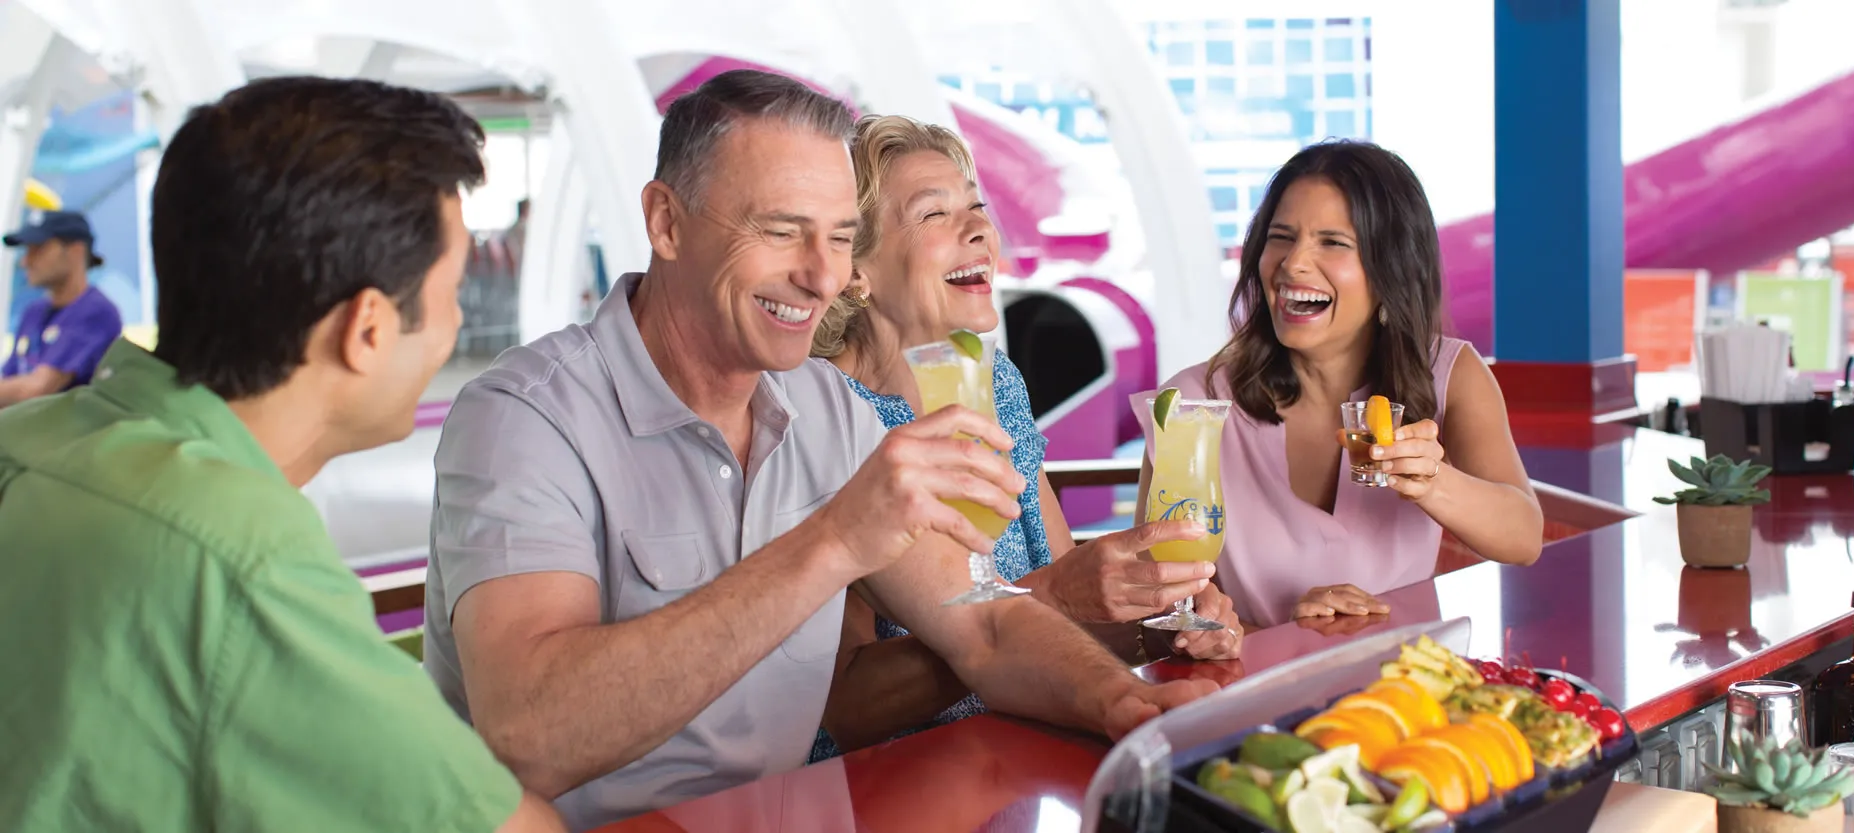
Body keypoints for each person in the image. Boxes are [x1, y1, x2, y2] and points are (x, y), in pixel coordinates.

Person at [424, 69, 1215, 831]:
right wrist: (834, 540)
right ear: (665, 222)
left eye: (841, 237)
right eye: (780, 231)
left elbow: (986, 626)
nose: (821, 274)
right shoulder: (524, 417)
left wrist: (1126, 703)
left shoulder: (827, 407)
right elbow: (529, 736)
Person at [0, 77, 564, 832]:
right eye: (452, 290)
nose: (457, 322)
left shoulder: (30, 440)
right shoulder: (242, 556)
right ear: (367, 329)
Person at [806, 114, 1241, 759]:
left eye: (977, 207)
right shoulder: (824, 418)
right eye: (934, 215)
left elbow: (1059, 605)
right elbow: (843, 706)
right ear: (855, 267)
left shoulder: (998, 384)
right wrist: (1057, 596)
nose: (980, 228)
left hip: (1019, 750)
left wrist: (1160, 624)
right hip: (896, 781)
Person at [1135, 139, 1543, 630]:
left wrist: (1432, 481)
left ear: (1389, 268)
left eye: (1332, 242)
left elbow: (1524, 537)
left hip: (1405, 692)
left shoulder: (1449, 374)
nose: (1293, 264)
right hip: (1256, 694)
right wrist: (1265, 629)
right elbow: (1152, 596)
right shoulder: (1191, 404)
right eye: (1281, 237)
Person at [0, 210, 122, 407]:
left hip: (71, 436)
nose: (25, 261)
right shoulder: (34, 312)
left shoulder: (95, 312)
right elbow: (10, 379)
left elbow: (37, 389)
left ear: (76, 251)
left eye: (38, 249)